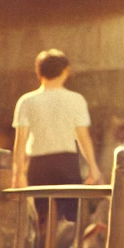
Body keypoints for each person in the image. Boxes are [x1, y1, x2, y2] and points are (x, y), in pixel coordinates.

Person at [12, 49, 102, 225]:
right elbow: (83, 138)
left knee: (43, 220)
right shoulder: (76, 100)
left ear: (39, 72)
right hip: (67, 162)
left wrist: (18, 173)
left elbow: (20, 141)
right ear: (65, 71)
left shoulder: (26, 101)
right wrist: (93, 167)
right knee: (71, 218)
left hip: (38, 165)